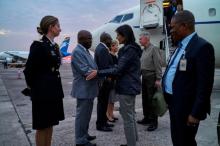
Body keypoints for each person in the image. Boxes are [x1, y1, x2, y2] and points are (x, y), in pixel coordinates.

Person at [162, 10, 215, 146]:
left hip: (187, 109)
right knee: (177, 139)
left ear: (184, 26)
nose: (171, 30)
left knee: (185, 142)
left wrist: (196, 114)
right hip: (174, 104)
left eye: (173, 27)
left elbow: (205, 85)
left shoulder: (202, 47)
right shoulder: (180, 46)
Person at [87, 24, 142, 146]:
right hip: (130, 86)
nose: (116, 38)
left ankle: (131, 144)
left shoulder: (129, 50)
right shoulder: (132, 48)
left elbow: (118, 69)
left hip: (127, 88)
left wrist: (99, 72)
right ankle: (134, 141)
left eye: (118, 35)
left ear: (125, 35)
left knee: (127, 118)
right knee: (131, 116)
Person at [23, 15, 65, 146]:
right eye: (58, 26)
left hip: (53, 92)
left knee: (50, 123)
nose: (60, 29)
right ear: (51, 27)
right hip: (42, 94)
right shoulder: (38, 45)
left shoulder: (55, 46)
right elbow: (28, 71)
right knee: (42, 126)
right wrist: (35, 89)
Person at [71, 30, 98, 146]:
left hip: (89, 90)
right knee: (81, 116)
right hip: (83, 90)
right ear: (80, 39)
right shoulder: (77, 52)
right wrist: (99, 72)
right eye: (88, 38)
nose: (90, 41)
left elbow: (93, 68)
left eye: (91, 38)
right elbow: (86, 71)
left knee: (86, 115)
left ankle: (84, 134)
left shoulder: (85, 51)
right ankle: (80, 141)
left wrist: (96, 71)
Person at [137, 32, 162, 131]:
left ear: (147, 39)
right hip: (145, 77)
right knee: (145, 99)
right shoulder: (144, 50)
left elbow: (158, 64)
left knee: (152, 100)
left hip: (152, 77)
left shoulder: (153, 48)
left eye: (140, 39)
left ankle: (153, 122)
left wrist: (158, 79)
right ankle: (146, 118)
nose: (139, 40)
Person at [95, 32, 114, 132]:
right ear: (106, 39)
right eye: (110, 39)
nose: (111, 41)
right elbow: (104, 67)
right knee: (102, 103)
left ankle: (104, 121)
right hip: (104, 81)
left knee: (103, 103)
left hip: (103, 81)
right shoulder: (102, 49)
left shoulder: (101, 48)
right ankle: (101, 124)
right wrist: (114, 69)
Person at [106, 40, 119, 122]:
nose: (117, 47)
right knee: (110, 99)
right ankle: (108, 114)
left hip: (115, 79)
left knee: (113, 98)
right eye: (115, 45)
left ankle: (111, 113)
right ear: (111, 46)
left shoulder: (115, 56)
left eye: (117, 45)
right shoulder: (110, 56)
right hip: (111, 79)